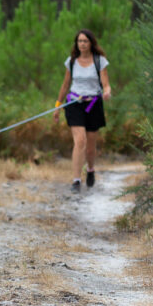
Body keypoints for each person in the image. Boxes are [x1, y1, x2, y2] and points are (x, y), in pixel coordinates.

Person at [53, 29, 111, 193]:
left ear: (91, 43)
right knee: (80, 141)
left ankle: (90, 169)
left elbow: (105, 83)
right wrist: (57, 106)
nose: (82, 44)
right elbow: (65, 86)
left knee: (90, 147)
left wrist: (107, 91)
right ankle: (76, 180)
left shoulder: (100, 61)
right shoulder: (71, 62)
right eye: (79, 41)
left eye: (85, 41)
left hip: (93, 104)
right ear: (76, 44)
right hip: (74, 104)